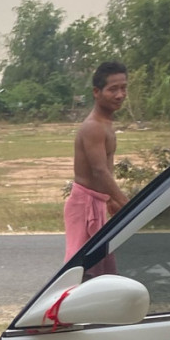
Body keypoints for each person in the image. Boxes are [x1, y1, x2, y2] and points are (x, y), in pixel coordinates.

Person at [64, 60, 129, 264]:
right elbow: (99, 170)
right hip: (84, 205)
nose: (120, 95)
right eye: (113, 89)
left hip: (98, 202)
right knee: (79, 267)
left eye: (123, 88)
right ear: (96, 92)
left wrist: (110, 200)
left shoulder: (106, 124)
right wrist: (128, 205)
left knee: (101, 267)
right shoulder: (93, 126)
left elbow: (105, 169)